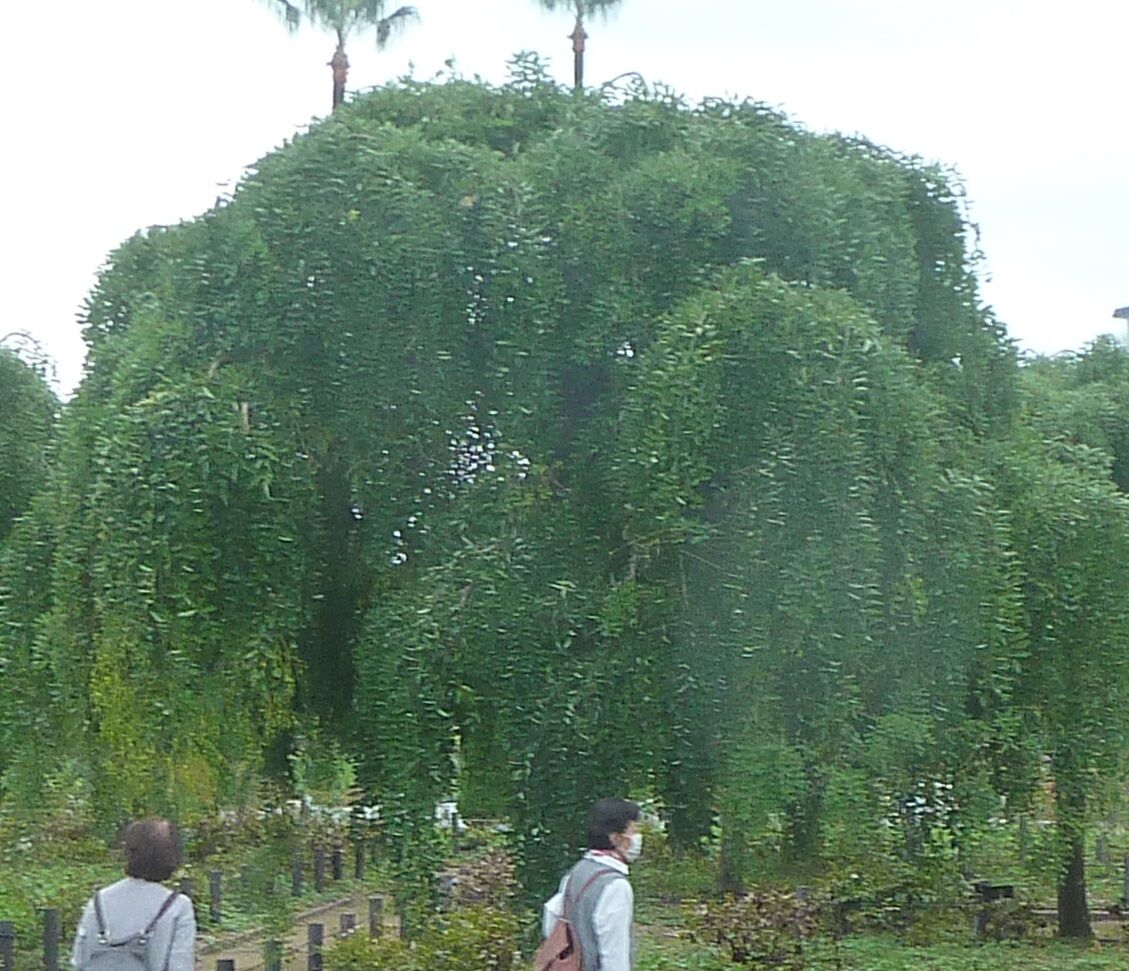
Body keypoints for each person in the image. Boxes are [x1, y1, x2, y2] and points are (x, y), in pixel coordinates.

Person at [71, 817, 196, 971]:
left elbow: (80, 960)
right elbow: (180, 965)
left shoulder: (99, 900)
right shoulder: (177, 906)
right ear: (173, 857)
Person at [542, 798, 642, 971]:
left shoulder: (577, 871)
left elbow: (551, 918)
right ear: (615, 837)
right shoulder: (615, 885)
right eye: (633, 830)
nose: (637, 838)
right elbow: (614, 953)